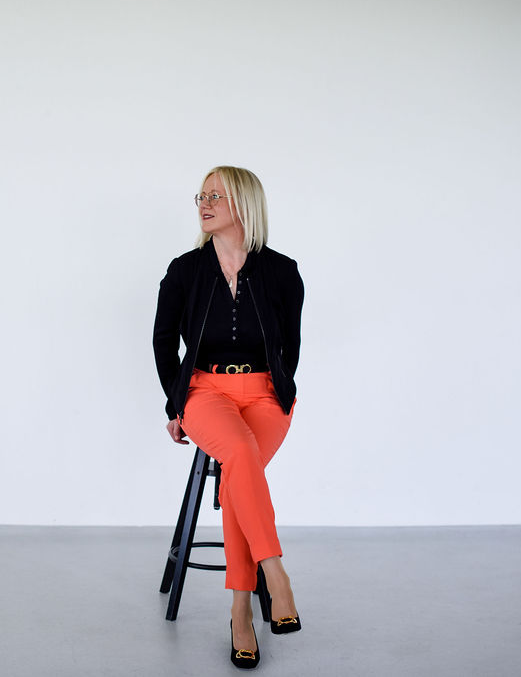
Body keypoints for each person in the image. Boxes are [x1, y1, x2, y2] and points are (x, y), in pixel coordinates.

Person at [153, 165, 305, 669]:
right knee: (242, 455)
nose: (204, 202)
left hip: (264, 394)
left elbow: (289, 348)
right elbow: (163, 342)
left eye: (216, 195)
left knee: (241, 473)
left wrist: (278, 394)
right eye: (202, 195)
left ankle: (241, 610)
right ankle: (274, 573)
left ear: (243, 203)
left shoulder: (283, 271)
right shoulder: (184, 270)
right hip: (206, 391)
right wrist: (177, 404)